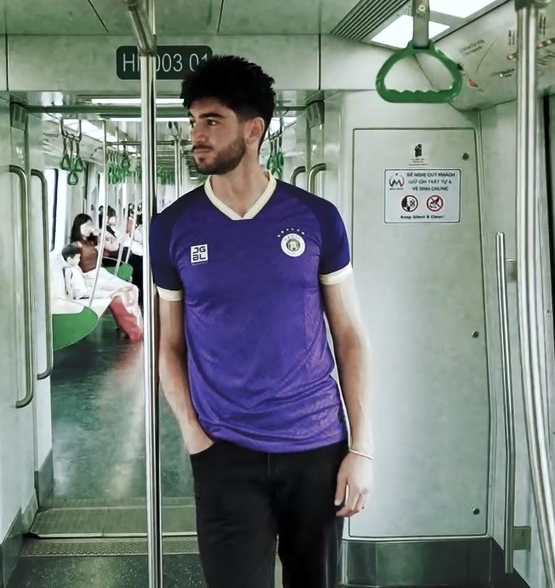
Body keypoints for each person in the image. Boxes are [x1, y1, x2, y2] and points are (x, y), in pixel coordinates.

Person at [149, 55, 373, 588]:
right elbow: (168, 346)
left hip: (315, 446)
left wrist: (361, 448)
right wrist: (194, 437)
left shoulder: (316, 218)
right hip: (224, 451)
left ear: (253, 130)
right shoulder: (172, 227)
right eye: (193, 121)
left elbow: (349, 335)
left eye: (212, 121)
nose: (196, 135)